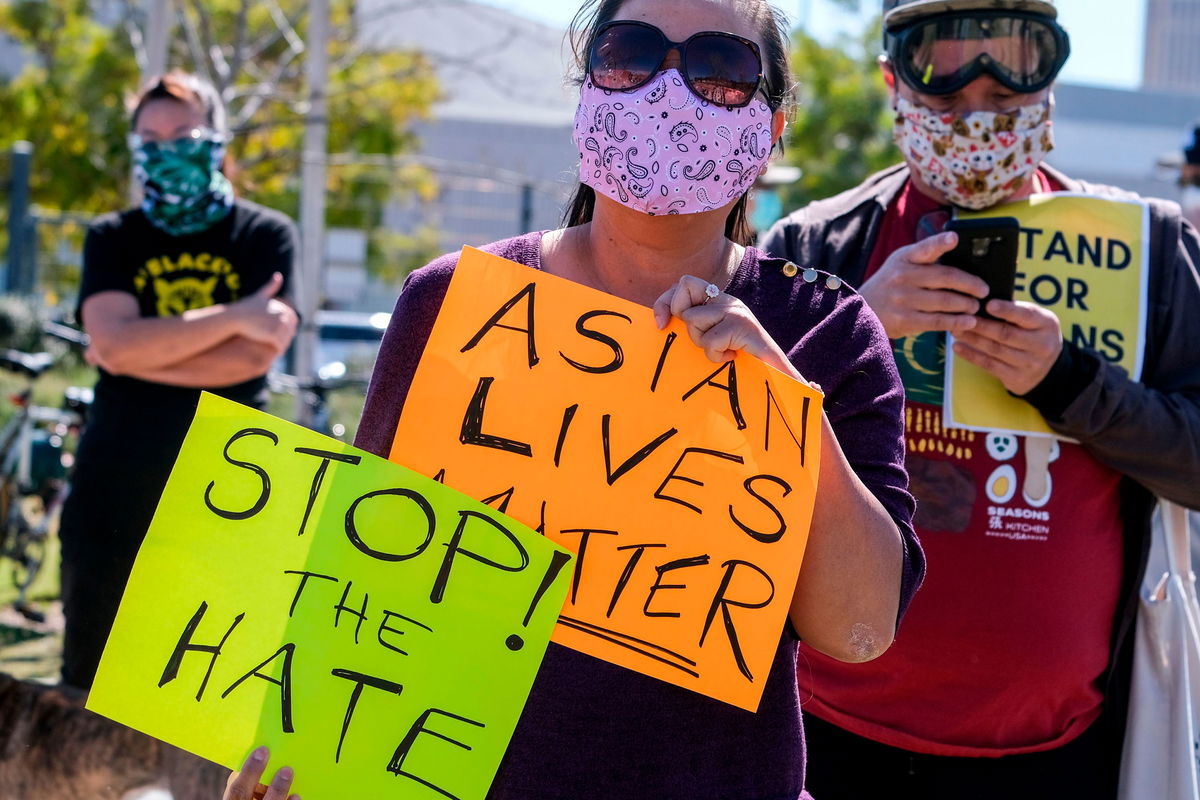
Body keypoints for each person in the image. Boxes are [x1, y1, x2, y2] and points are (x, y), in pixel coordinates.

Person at [222, 1, 924, 798]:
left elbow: (860, 630)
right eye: (630, 55)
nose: (668, 92)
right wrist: (291, 756)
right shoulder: (450, 305)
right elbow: (360, 581)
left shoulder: (824, 330)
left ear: (770, 128)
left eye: (720, 71)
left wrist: (786, 412)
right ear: (586, 92)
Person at [760, 1, 1200, 797]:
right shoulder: (815, 247)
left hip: (1054, 750)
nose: (976, 121)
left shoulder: (1148, 255)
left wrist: (1071, 383)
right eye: (947, 101)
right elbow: (721, 452)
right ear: (894, 85)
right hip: (832, 731)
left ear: (1050, 93)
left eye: (1004, 103)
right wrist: (860, 323)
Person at [60, 72, 299, 691]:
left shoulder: (266, 234)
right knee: (95, 685)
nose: (167, 151)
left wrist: (146, 349)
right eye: (150, 138)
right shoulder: (112, 238)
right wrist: (238, 316)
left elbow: (255, 359)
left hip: (232, 484)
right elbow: (112, 343)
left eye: (183, 134)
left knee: (208, 689)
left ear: (215, 139)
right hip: (116, 484)